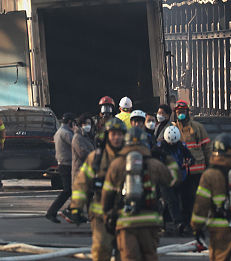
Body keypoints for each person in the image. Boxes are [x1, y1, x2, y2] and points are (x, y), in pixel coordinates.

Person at [101, 127, 172, 261]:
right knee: (150, 256)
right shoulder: (154, 164)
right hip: (150, 221)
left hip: (126, 221)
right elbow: (172, 179)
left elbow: (107, 194)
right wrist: (167, 157)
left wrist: (107, 217)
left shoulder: (116, 164)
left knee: (129, 257)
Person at [66, 117, 127, 261]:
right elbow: (81, 183)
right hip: (101, 213)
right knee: (101, 250)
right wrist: (76, 207)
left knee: (125, 252)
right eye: (113, 134)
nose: (117, 138)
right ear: (107, 135)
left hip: (125, 213)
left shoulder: (131, 158)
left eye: (120, 134)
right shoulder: (96, 158)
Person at [174, 99, 211, 229]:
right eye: (179, 112)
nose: (181, 114)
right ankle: (186, 221)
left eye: (183, 112)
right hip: (182, 171)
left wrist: (209, 165)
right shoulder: (173, 129)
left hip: (197, 170)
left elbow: (207, 147)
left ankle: (198, 221)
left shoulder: (197, 127)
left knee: (197, 198)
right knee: (184, 198)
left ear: (188, 112)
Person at [158, 125, 193, 233]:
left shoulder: (181, 146)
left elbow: (191, 157)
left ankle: (184, 222)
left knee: (183, 200)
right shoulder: (160, 147)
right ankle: (174, 223)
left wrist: (188, 162)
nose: (172, 145)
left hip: (180, 177)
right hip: (165, 178)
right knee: (170, 201)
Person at [47, 111, 76, 223]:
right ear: (70, 122)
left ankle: (72, 211)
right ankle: (54, 212)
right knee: (68, 191)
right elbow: (76, 143)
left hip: (62, 164)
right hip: (67, 164)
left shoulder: (59, 132)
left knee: (70, 190)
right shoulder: (66, 133)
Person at [73, 113, 95, 182]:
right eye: (85, 123)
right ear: (81, 124)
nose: (88, 125)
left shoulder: (90, 137)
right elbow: (83, 154)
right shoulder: (78, 137)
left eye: (89, 124)